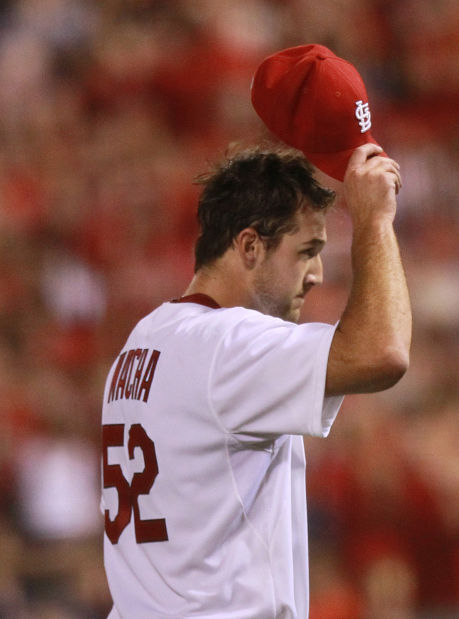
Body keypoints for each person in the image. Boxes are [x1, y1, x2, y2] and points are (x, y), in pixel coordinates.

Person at [101, 136, 410, 618]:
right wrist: (375, 219)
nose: (317, 274)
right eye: (306, 250)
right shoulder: (226, 343)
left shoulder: (143, 339)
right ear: (249, 245)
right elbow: (383, 352)